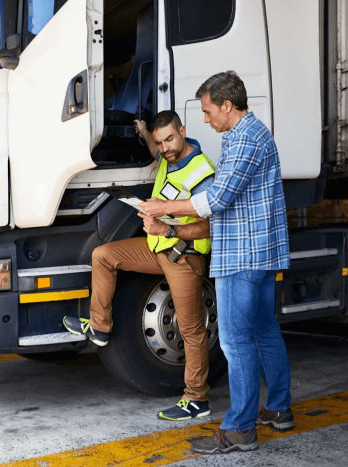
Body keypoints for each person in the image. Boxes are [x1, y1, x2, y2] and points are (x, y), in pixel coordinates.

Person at [140, 71, 293, 454]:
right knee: (264, 330)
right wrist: (170, 223)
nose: (206, 120)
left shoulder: (244, 139)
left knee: (236, 341)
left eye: (209, 111)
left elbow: (216, 200)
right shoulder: (250, 136)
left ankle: (240, 429)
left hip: (242, 255)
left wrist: (163, 208)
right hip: (256, 253)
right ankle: (277, 409)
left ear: (228, 105)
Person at [63, 110, 217, 421]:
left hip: (184, 257)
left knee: (190, 330)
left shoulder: (202, 173)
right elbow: (154, 149)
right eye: (160, 143)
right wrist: (146, 133)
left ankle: (197, 399)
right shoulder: (167, 158)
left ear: (183, 131)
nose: (165, 149)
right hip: (158, 248)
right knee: (103, 255)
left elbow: (210, 227)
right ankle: (100, 327)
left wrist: (169, 229)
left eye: (170, 140)